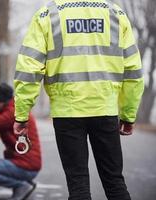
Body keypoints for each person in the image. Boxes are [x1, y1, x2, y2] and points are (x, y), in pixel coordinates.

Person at [13, 0, 144, 200]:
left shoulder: (48, 14)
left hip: (67, 112)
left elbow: (28, 70)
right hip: (104, 109)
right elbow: (133, 70)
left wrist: (21, 115)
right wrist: (128, 114)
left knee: (78, 186)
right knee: (115, 182)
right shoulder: (115, 13)